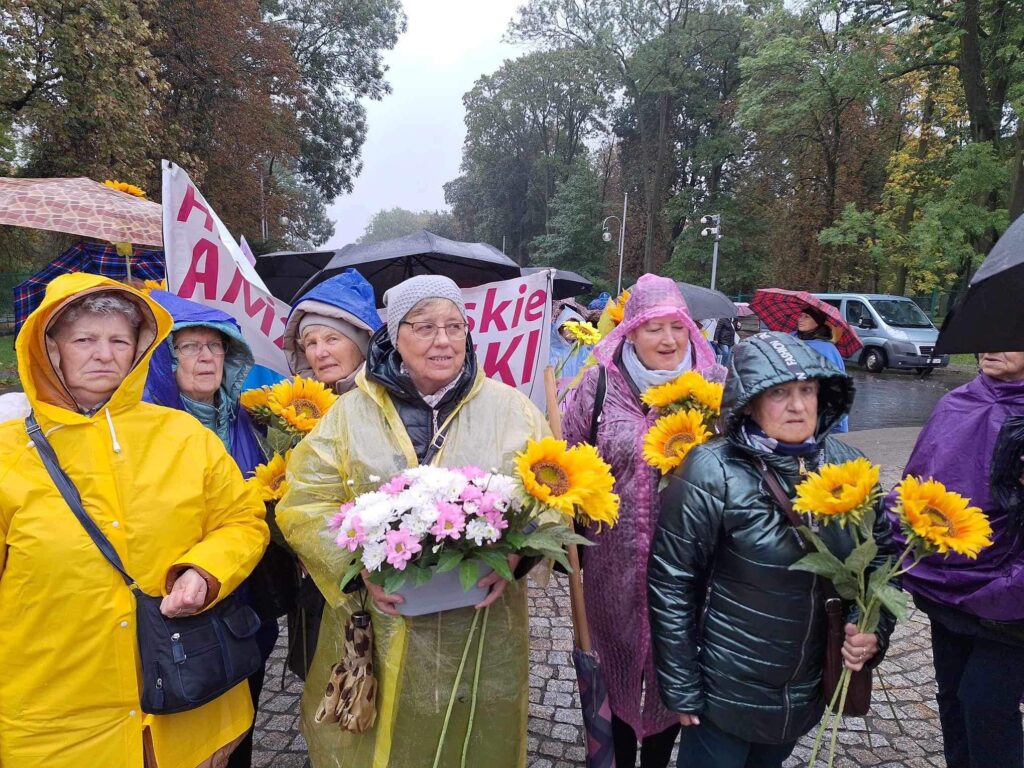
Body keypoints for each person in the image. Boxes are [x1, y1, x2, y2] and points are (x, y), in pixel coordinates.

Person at [277, 274, 553, 768]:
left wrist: (516, 553)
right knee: (383, 741)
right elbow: (304, 502)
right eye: (423, 327)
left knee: (474, 738)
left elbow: (550, 497)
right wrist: (356, 565)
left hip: (483, 624)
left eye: (455, 326)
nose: (443, 340)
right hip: (383, 620)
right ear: (393, 336)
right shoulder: (349, 414)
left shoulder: (513, 411)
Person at [0, 273, 268, 768]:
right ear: (50, 348)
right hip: (57, 720)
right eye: (84, 339)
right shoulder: (7, 454)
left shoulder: (184, 436)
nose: (104, 354)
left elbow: (242, 520)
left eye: (118, 340)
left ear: (138, 350)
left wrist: (205, 572)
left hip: (189, 709)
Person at [647, 332, 896, 768]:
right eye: (779, 393)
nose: (798, 406)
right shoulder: (712, 470)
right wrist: (681, 683)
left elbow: (881, 562)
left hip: (803, 688)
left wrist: (869, 630)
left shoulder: (851, 467)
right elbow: (672, 581)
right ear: (749, 402)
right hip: (724, 691)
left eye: (807, 390)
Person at [561, 274, 724, 768]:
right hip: (611, 565)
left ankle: (657, 757)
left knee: (676, 664)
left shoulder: (713, 389)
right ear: (630, 331)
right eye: (653, 328)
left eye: (677, 326)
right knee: (614, 663)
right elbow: (569, 460)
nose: (668, 339)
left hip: (691, 568)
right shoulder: (600, 383)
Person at [143, 290, 280, 768]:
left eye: (216, 346)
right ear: (166, 359)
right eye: (190, 347)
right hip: (178, 609)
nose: (206, 356)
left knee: (240, 720)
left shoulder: (257, 419)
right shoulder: (147, 428)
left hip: (248, 605)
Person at [889, 351, 1024, 768]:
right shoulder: (956, 403)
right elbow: (918, 481)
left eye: (1010, 336)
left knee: (985, 703)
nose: (991, 345)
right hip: (948, 584)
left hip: (1011, 597)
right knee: (951, 694)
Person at [280, 269, 382, 680]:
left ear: (360, 342)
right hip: (314, 583)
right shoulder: (292, 410)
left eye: (332, 339)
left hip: (369, 574)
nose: (320, 352)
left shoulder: (384, 404)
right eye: (311, 342)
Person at [794, 307, 849, 433]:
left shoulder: (826, 349)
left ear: (818, 322)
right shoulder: (792, 340)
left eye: (806, 317)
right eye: (800, 315)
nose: (800, 320)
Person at [549, 305, 593, 388]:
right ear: (560, 327)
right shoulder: (551, 349)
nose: (572, 330)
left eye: (576, 327)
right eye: (568, 326)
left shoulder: (582, 350)